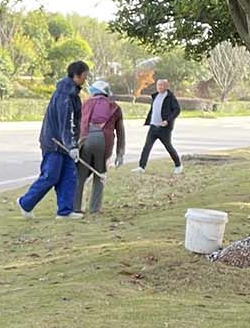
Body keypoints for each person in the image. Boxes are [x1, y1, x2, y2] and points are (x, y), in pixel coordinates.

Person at [18, 60, 89, 219]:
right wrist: (72, 145)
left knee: (69, 176)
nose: (85, 78)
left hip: (66, 144)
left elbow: (75, 123)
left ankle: (65, 211)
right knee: (51, 175)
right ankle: (25, 203)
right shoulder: (64, 94)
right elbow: (66, 122)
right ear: (76, 75)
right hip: (54, 143)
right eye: (84, 75)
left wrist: (73, 144)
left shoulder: (74, 94)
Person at [77, 81, 126, 214]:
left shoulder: (85, 104)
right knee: (100, 174)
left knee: (81, 175)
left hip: (86, 139)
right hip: (104, 140)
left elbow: (78, 124)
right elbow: (120, 133)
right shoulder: (115, 107)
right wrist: (120, 153)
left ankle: (76, 207)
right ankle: (95, 209)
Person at [135, 77, 183, 173]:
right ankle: (141, 167)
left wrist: (168, 121)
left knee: (168, 147)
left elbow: (177, 110)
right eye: (158, 85)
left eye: (161, 85)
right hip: (153, 126)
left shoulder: (170, 97)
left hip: (164, 128)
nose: (159, 87)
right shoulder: (155, 96)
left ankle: (178, 165)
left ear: (166, 86)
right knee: (147, 147)